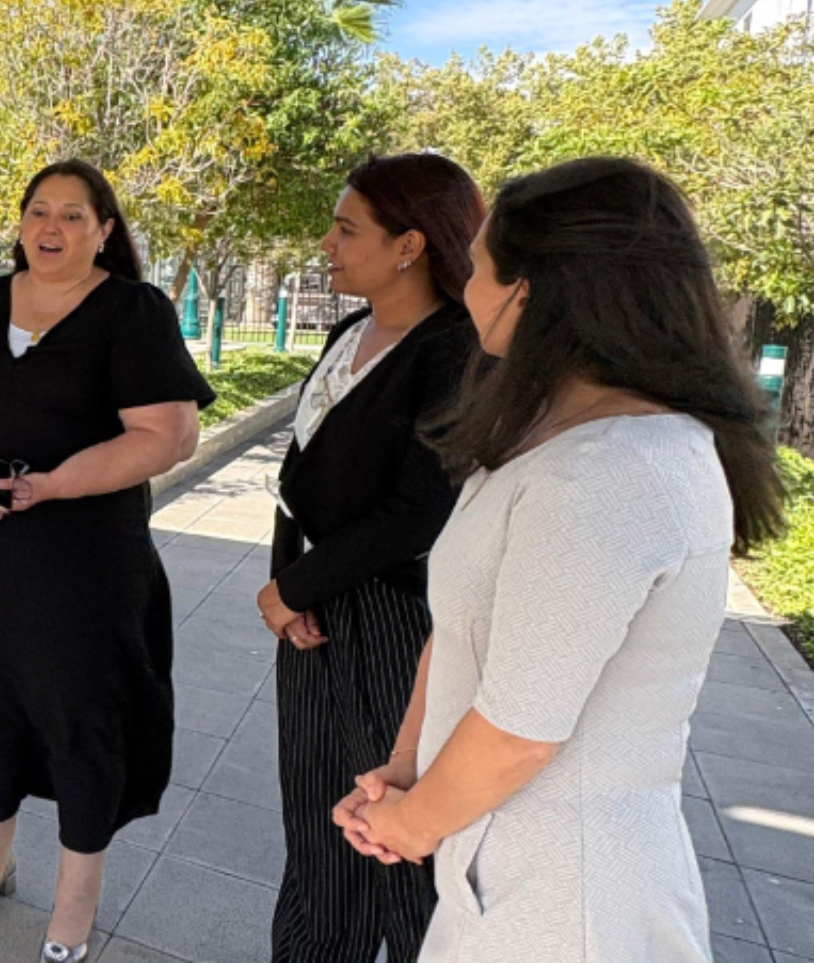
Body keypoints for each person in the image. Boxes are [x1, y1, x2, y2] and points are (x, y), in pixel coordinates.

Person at [334, 158, 787, 962]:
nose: (466, 286)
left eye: (479, 267)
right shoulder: (559, 437)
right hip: (504, 864)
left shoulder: (611, 471)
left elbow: (520, 729)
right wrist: (408, 768)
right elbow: (465, 626)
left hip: (563, 899)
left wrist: (410, 824)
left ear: (532, 290)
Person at [0, 160, 213, 963]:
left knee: (82, 719)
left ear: (104, 231)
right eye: (39, 210)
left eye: (74, 214)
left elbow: (170, 434)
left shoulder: (132, 311)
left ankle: (77, 898)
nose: (52, 226)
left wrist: (54, 485)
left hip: (83, 566)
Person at [259, 154, 483, 963]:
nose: (328, 243)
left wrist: (298, 584)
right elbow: (298, 477)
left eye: (347, 229)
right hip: (316, 613)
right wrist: (290, 588)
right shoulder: (348, 333)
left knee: (392, 828)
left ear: (409, 245)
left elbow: (421, 509)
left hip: (397, 618)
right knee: (317, 819)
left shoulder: (455, 351)